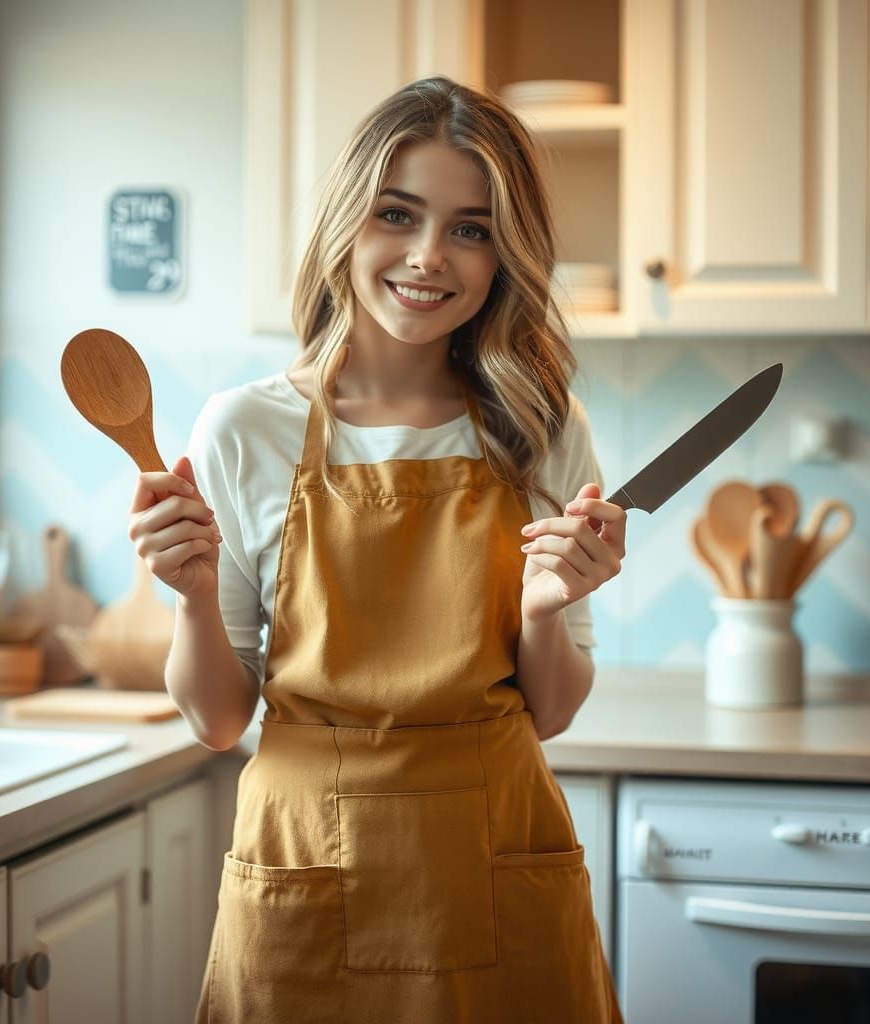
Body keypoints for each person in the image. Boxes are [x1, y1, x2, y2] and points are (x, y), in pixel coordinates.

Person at [128, 75, 626, 1024]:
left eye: (472, 229)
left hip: (495, 842)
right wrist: (191, 595)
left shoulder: (539, 426)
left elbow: (551, 712)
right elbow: (217, 720)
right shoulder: (245, 428)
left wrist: (545, 608)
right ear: (345, 220)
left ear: (505, 255)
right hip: (302, 855)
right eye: (398, 214)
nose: (429, 257)